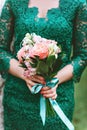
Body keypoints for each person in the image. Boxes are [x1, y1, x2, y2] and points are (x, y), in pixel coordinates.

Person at [0, 0, 87, 129]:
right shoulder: (14, 2)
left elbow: (83, 54)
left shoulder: (78, 4)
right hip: (17, 96)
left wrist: (55, 81)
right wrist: (25, 75)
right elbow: (1, 50)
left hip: (57, 95)